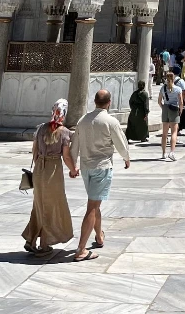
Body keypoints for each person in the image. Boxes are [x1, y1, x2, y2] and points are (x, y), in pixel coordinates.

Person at [69, 90, 130, 262]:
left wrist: (73, 166)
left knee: (95, 203)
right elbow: (121, 143)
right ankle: (81, 249)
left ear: (94, 101)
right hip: (101, 168)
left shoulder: (83, 120)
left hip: (86, 168)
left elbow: (75, 145)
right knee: (92, 207)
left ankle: (99, 235)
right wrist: (126, 158)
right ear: (109, 103)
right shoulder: (110, 121)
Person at [22, 98, 75, 256]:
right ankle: (44, 244)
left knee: (39, 205)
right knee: (51, 206)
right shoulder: (64, 132)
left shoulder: (40, 129)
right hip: (53, 170)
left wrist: (39, 165)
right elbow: (66, 156)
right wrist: (73, 169)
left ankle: (31, 239)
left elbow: (34, 151)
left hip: (39, 169)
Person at [158, 71, 183, 161]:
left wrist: (163, 108)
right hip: (174, 109)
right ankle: (172, 152)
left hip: (165, 108)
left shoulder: (163, 88)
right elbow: (181, 102)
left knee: (164, 133)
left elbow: (159, 101)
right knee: (174, 132)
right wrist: (180, 110)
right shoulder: (178, 89)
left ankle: (163, 152)